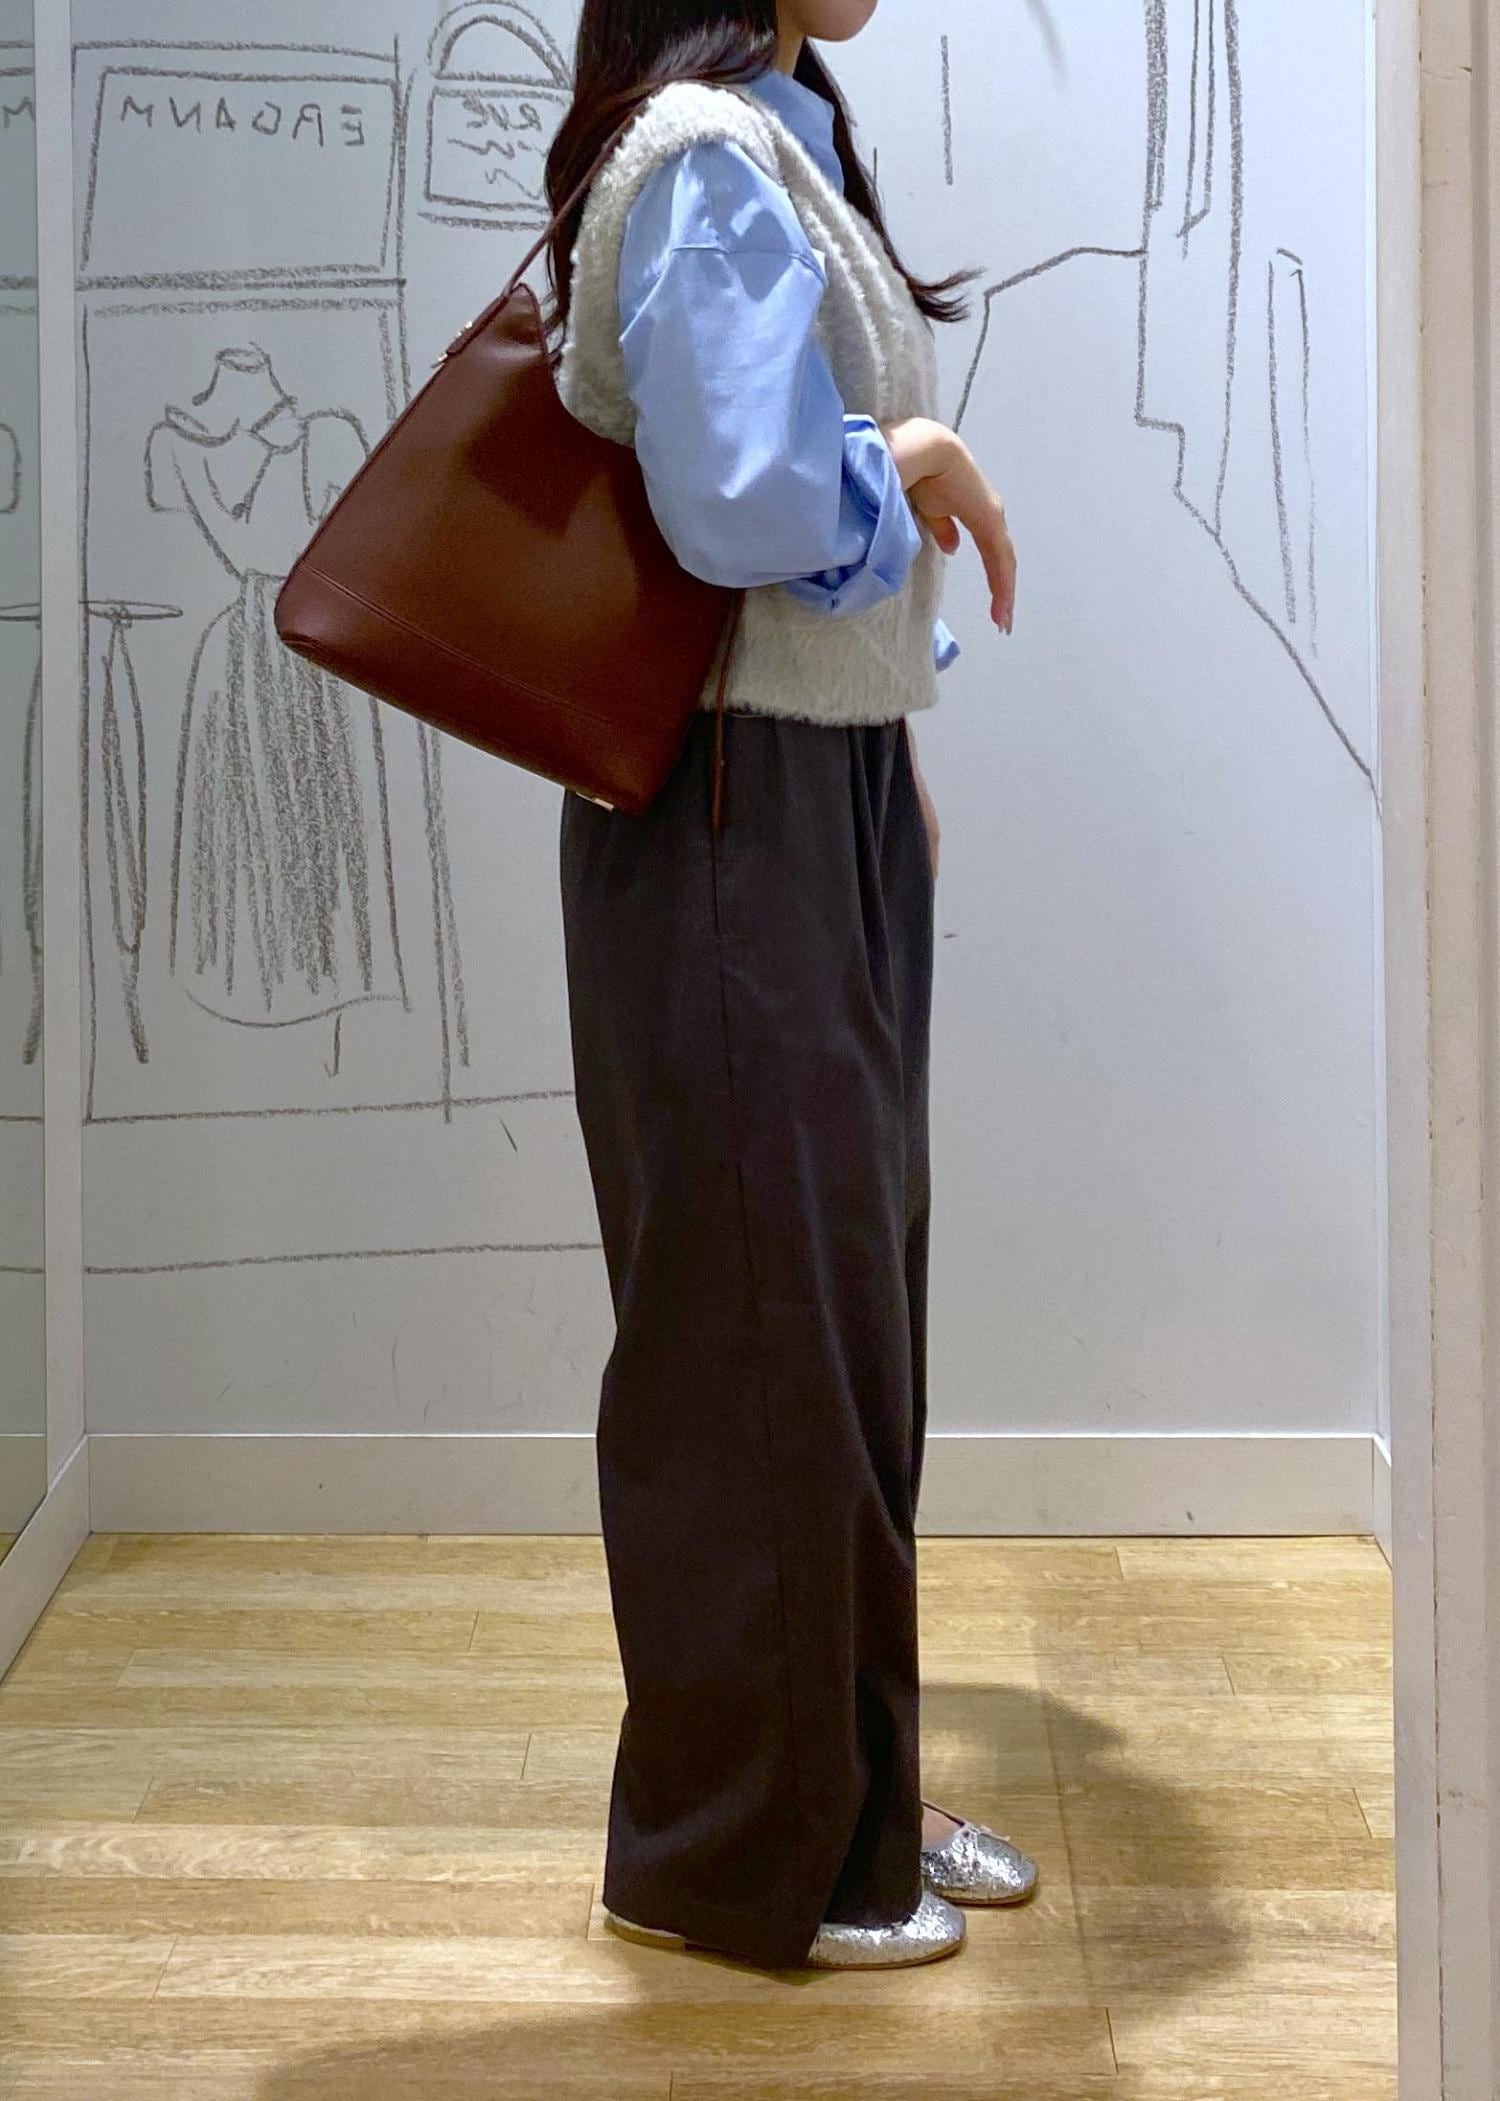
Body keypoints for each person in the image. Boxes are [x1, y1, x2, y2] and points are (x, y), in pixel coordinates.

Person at [549, 0, 1029, 1972]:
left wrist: (881, 750)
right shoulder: (703, 158)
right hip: (726, 808)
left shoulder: (775, 131)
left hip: (803, 787)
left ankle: (844, 1800)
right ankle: (734, 1857)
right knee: (755, 1330)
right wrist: (908, 456)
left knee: (835, 1323)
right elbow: (736, 499)